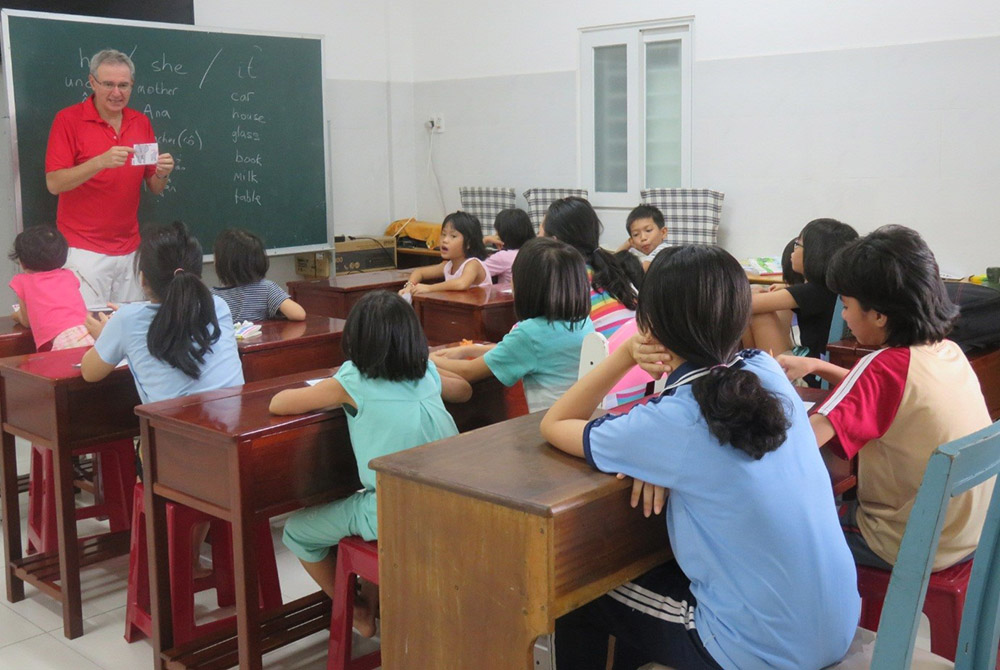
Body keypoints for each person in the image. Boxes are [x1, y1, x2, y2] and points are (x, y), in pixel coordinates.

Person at [540, 245, 860, 670]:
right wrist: (654, 461)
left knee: (578, 593)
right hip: (834, 626)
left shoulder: (673, 421)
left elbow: (556, 423)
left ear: (649, 323)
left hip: (762, 651)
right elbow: (695, 443)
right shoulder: (765, 373)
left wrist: (623, 355)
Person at [779, 225, 994, 571]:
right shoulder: (947, 352)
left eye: (847, 306)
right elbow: (889, 397)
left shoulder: (882, 367)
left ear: (879, 315)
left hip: (905, 541)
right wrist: (817, 365)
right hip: (969, 533)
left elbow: (799, 442)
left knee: (783, 531)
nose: (845, 316)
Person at [269, 291, 472, 636]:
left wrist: (340, 377)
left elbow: (279, 403)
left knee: (297, 532)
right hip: (453, 503)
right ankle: (371, 600)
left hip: (393, 510)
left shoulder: (352, 382)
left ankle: (358, 612)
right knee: (361, 509)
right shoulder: (425, 372)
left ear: (356, 341)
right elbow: (464, 390)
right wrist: (430, 370)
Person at [81, 221, 244, 576]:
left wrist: (106, 334)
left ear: (142, 279)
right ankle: (189, 549)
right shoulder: (218, 307)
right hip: (232, 447)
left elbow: (90, 372)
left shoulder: (126, 319)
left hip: (177, 456)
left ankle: (174, 564)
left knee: (166, 443)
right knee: (196, 437)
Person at [45, 48, 175, 306]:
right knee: (88, 330)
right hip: (83, 250)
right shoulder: (68, 120)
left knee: (131, 330)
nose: (117, 93)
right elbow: (54, 183)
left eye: (123, 85)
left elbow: (155, 186)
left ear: (132, 85)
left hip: (131, 249)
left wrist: (163, 173)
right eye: (108, 84)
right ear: (92, 82)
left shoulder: (140, 122)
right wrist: (99, 162)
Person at [431, 237, 595, 412]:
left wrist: (429, 359)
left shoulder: (530, 333)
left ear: (525, 286)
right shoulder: (582, 322)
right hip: (580, 420)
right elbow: (521, 352)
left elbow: (468, 371)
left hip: (545, 425)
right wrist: (468, 350)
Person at [744, 218, 857, 382]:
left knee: (756, 312)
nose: (793, 251)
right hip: (807, 367)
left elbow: (747, 305)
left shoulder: (815, 290)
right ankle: (752, 371)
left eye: (797, 245)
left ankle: (751, 373)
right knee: (759, 300)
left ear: (815, 253)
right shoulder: (828, 289)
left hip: (804, 376)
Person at [541, 197, 637, 338]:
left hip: (604, 357)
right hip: (637, 354)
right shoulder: (612, 270)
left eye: (540, 235)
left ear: (554, 242)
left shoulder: (563, 283)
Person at [8, 225, 94, 351]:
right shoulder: (68, 275)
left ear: (21, 262)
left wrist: (16, 316)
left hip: (65, 341)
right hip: (89, 331)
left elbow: (26, 321)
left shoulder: (23, 281)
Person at [210, 228, 306, 322]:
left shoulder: (210, 296)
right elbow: (299, 314)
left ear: (222, 264)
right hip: (263, 338)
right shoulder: (267, 288)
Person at [398, 211, 491, 296]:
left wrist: (429, 288)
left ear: (468, 243)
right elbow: (419, 272)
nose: (445, 240)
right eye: (443, 234)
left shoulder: (473, 264)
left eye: (453, 236)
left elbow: (462, 284)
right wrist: (409, 286)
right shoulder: (448, 266)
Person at [481, 208, 535, 285]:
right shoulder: (536, 251)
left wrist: (484, 240)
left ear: (503, 233)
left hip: (509, 296)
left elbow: (474, 272)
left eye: (496, 231)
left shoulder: (503, 257)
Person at [616, 204, 669, 271]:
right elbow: (614, 263)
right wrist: (629, 243)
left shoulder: (665, 250)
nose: (643, 238)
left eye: (648, 230)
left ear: (663, 232)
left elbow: (643, 271)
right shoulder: (634, 252)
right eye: (636, 234)